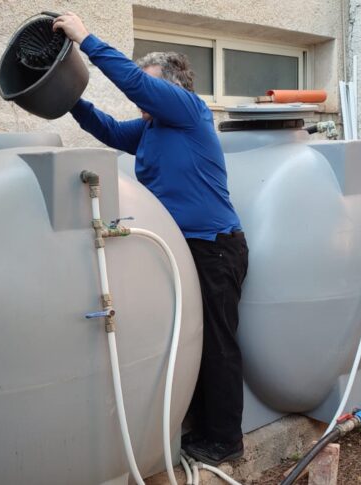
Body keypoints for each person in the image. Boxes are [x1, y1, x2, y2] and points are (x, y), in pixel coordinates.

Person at [53, 12, 248, 466]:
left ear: (173, 88)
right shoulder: (152, 129)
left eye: (151, 86)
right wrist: (69, 97)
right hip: (181, 247)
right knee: (192, 338)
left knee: (218, 345)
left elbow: (136, 87)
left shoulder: (188, 111)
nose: (144, 95)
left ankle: (225, 441)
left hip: (214, 247)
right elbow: (105, 129)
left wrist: (86, 39)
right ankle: (198, 427)